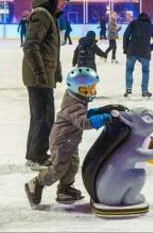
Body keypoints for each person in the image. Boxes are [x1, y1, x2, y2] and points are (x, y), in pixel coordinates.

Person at [24, 67, 112, 207]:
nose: (94, 91)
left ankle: (65, 190)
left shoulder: (78, 98)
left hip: (70, 140)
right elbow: (82, 122)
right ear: (80, 88)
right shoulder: (74, 103)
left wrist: (97, 112)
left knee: (72, 165)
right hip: (62, 140)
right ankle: (36, 183)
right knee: (59, 168)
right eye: (91, 88)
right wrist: (101, 119)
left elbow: (82, 115)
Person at [23, 0, 71, 170]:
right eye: (61, 2)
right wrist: (40, 73)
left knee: (42, 116)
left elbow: (51, 49)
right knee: (43, 116)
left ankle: (34, 154)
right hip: (38, 76)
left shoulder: (51, 16)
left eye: (65, 3)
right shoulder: (42, 14)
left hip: (43, 74)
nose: (63, 6)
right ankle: (37, 157)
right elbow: (31, 46)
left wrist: (56, 70)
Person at [123, 12, 153, 98]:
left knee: (129, 70)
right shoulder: (151, 26)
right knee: (145, 71)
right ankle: (144, 91)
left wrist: (126, 49)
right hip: (145, 52)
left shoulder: (133, 23)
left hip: (132, 50)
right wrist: (149, 48)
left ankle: (128, 90)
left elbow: (126, 36)